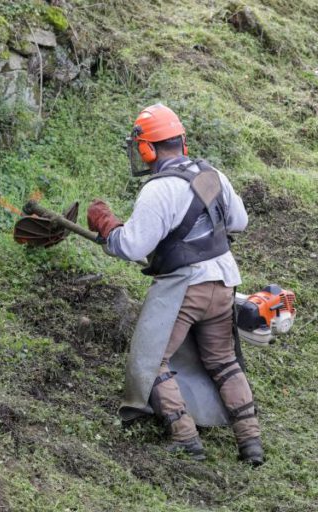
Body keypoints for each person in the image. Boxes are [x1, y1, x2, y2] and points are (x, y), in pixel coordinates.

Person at [86, 103, 263, 465]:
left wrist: (107, 226)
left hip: (186, 288)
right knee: (224, 361)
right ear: (181, 141)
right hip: (223, 282)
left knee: (152, 360)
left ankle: (186, 438)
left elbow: (131, 246)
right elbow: (239, 223)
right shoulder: (213, 175)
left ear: (146, 149)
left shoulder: (159, 190)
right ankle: (251, 443)